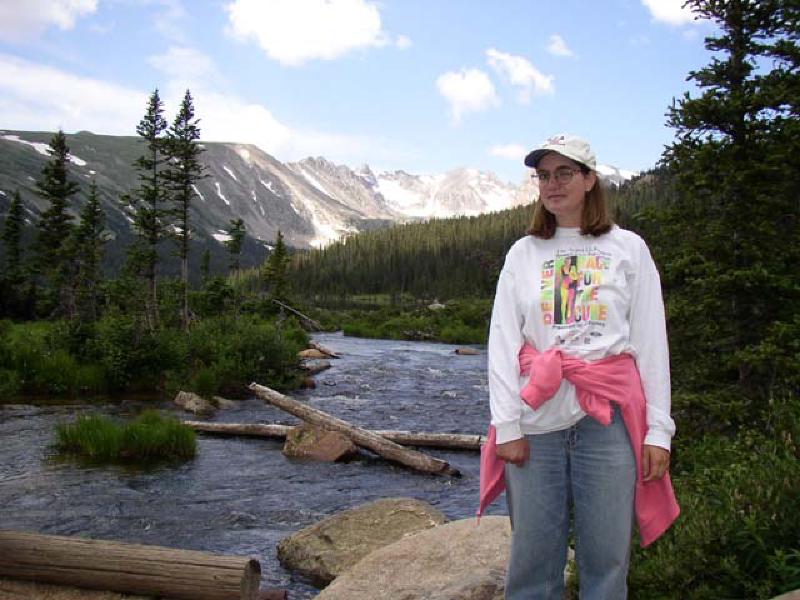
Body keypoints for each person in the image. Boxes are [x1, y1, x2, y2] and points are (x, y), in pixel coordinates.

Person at [481, 134, 679, 599]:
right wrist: (506, 424)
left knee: (607, 557)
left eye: (564, 173)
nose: (553, 184)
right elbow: (503, 342)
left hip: (607, 420)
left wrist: (658, 431)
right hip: (535, 422)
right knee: (533, 559)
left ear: (590, 180)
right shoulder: (522, 253)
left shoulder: (628, 248)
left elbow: (651, 344)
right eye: (544, 175)